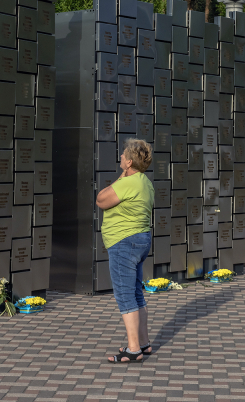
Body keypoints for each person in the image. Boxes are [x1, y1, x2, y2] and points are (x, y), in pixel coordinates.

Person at [95, 138, 155, 363]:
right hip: (141, 240)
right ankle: (144, 343)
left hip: (124, 243)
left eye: (123, 156)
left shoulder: (128, 183)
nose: (120, 157)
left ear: (129, 162)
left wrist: (123, 176)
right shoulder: (145, 182)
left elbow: (101, 199)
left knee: (125, 294)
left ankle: (132, 349)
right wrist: (127, 174)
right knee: (137, 292)